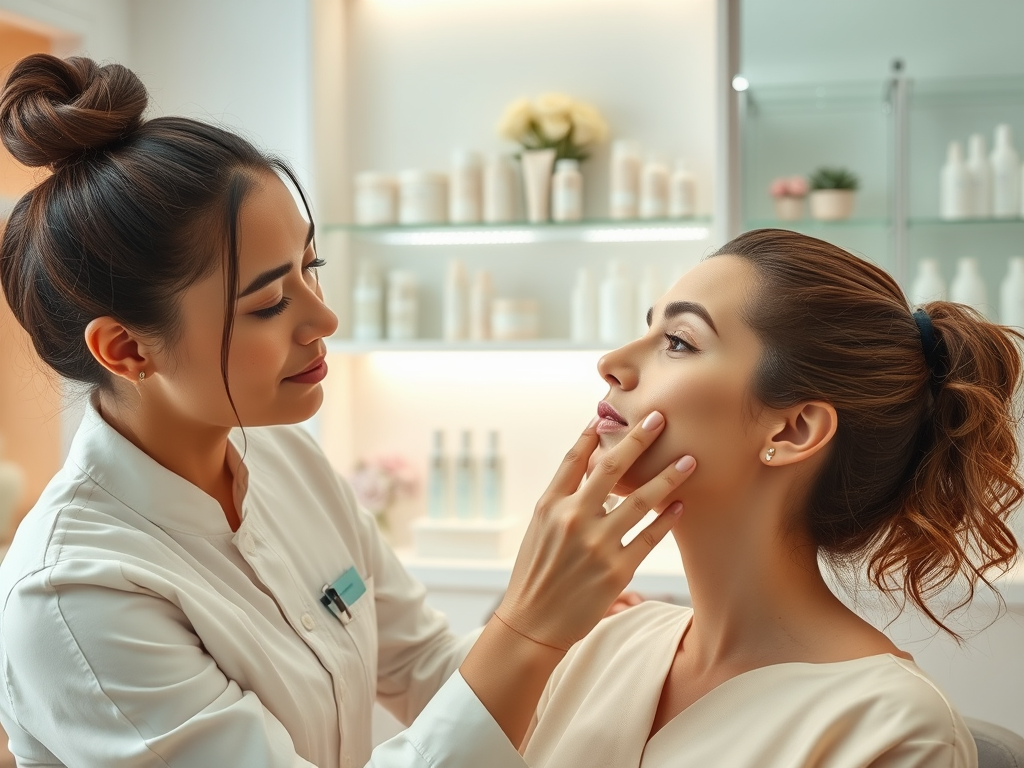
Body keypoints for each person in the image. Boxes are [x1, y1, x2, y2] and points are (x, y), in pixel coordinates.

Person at [0, 54, 698, 767]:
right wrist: (528, 630)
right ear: (125, 350)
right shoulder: (74, 594)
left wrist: (572, 633)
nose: (322, 319)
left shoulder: (282, 457)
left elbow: (425, 667)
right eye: (270, 302)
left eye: (313, 269)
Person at [520, 229, 1021, 767]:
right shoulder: (599, 645)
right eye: (649, 328)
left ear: (792, 432)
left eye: (679, 342)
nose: (612, 362)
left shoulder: (892, 730)